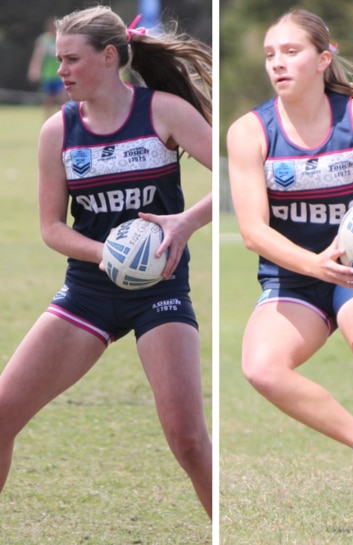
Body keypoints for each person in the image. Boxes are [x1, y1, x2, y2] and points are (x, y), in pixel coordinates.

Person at [0, 6, 213, 521]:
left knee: (187, 440)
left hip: (159, 294)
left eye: (72, 59)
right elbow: (52, 228)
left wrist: (184, 222)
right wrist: (107, 254)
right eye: (59, 60)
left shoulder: (163, 111)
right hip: (88, 293)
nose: (62, 71)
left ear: (110, 56)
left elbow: (245, 179)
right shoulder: (58, 130)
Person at [226, 9, 353, 511]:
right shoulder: (249, 132)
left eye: (291, 52)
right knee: (262, 368)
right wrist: (315, 265)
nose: (278, 63)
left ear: (323, 59)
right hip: (295, 278)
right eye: (271, 54)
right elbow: (252, 232)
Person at [28, 17, 68, 118]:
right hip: (48, 74)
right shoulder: (43, 40)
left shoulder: (63, 39)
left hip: (60, 74)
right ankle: (48, 119)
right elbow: (38, 56)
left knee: (63, 97)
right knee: (48, 99)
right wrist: (34, 70)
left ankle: (63, 117)